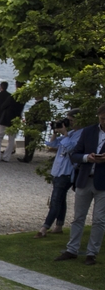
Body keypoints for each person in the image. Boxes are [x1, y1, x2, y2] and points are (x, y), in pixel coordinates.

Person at [54, 103, 105, 266]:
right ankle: (72, 249)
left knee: (99, 219)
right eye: (102, 119)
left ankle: (92, 253)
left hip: (103, 182)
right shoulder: (89, 131)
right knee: (78, 217)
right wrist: (86, 158)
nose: (104, 122)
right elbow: (75, 154)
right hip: (85, 178)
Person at [36, 117, 81, 237]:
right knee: (61, 198)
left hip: (67, 172)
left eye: (71, 120)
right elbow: (52, 144)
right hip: (58, 171)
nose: (69, 123)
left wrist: (65, 133)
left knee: (55, 200)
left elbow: (70, 148)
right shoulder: (71, 133)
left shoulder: (81, 134)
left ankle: (44, 228)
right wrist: (55, 132)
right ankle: (59, 226)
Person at [0, 94, 25, 162]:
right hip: (15, 121)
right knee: (11, 139)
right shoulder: (23, 99)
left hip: (5, 119)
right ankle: (6, 157)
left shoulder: (12, 97)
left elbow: (3, 106)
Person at [22, 94, 52, 162]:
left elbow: (38, 115)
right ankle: (28, 157)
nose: (34, 96)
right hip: (36, 124)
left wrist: (30, 119)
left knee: (29, 140)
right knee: (30, 140)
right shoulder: (44, 104)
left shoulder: (41, 105)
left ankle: (27, 157)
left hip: (34, 124)